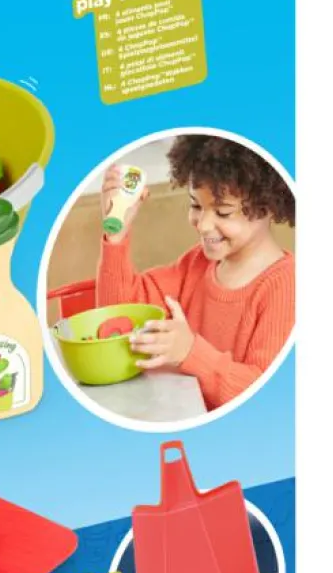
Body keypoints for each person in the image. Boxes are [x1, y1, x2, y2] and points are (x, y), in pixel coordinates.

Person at [96, 135, 295, 411]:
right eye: (196, 205)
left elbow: (267, 398)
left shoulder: (287, 286)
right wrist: (116, 234)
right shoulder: (196, 263)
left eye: (223, 212)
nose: (203, 225)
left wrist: (190, 352)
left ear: (268, 207)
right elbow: (118, 318)